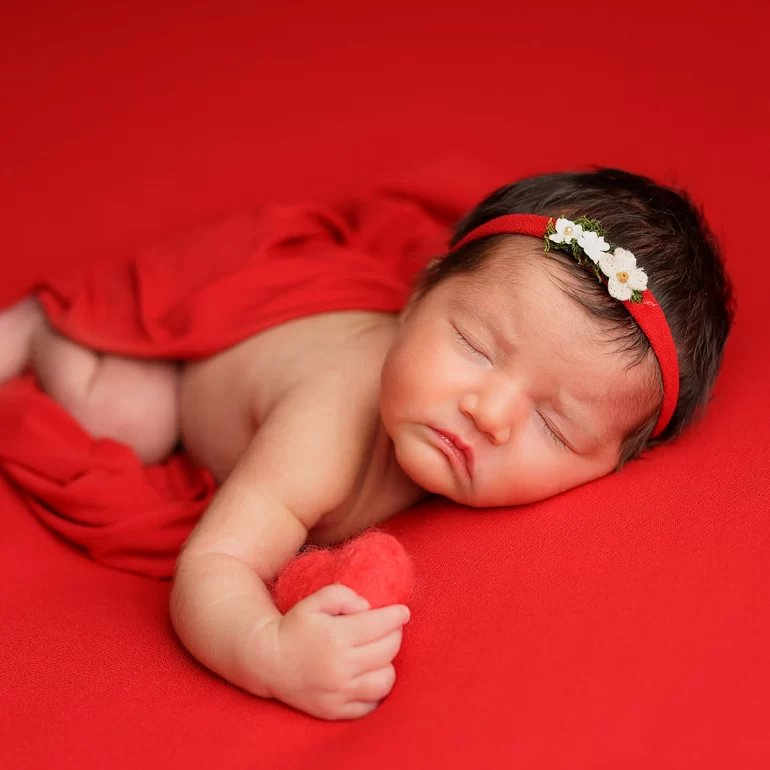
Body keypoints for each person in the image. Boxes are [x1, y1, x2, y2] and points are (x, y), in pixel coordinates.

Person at [0, 168, 733, 720]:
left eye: (554, 425)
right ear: (418, 293)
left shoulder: (487, 423)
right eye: (475, 347)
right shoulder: (325, 426)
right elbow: (215, 562)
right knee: (129, 418)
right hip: (211, 354)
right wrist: (269, 650)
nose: (488, 412)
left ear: (613, 463)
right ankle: (43, 325)